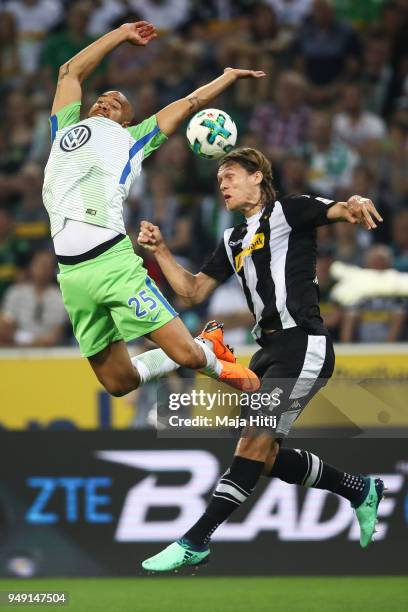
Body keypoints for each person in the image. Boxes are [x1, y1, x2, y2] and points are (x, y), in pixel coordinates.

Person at [138, 147, 385, 572]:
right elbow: (194, 291)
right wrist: (161, 251)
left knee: (252, 442)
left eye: (231, 175)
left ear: (257, 177)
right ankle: (358, 489)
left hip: (303, 342)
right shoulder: (232, 238)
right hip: (265, 354)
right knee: (264, 456)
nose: (224, 185)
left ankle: (196, 539)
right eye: (219, 181)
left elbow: (341, 209)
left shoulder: (291, 210)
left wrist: (357, 203)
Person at [42, 21, 265, 398]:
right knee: (119, 382)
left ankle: (210, 350)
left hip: (112, 264)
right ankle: (201, 350)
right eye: (102, 99)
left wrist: (225, 78)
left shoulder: (132, 139)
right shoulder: (63, 128)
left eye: (116, 103)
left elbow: (189, 104)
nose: (104, 102)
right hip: (71, 275)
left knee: (188, 355)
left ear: (126, 120)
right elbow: (70, 72)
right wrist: (121, 33)